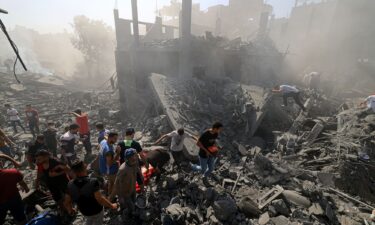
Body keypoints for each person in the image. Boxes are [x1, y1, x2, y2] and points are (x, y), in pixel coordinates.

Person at [64, 160, 118, 225]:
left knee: (88, 220)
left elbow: (66, 202)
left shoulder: (70, 184)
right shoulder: (92, 181)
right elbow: (100, 199)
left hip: (84, 212)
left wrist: (70, 210)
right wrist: (112, 206)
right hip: (97, 211)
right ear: (84, 167)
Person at [110, 148, 144, 219]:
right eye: (132, 157)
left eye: (135, 155)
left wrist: (140, 175)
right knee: (130, 207)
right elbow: (117, 183)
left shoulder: (135, 163)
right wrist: (116, 197)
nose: (134, 158)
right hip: (125, 192)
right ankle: (128, 215)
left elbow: (137, 168)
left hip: (133, 189)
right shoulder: (123, 169)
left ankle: (130, 212)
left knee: (134, 201)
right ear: (127, 158)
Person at [0, 154, 29, 225]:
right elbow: (24, 185)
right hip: (14, 199)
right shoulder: (13, 172)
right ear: (1, 163)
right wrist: (26, 189)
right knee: (21, 219)